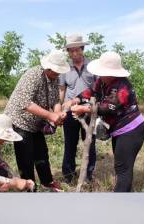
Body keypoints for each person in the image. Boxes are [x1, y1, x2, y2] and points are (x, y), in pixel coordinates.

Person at [68, 51, 144, 192]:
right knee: (122, 167)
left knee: (122, 169)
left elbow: (108, 108)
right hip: (120, 130)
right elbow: (90, 91)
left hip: (131, 130)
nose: (101, 75)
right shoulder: (102, 82)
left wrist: (84, 109)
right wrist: (77, 99)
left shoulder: (122, 87)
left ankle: (117, 203)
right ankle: (127, 197)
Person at [5, 50, 69, 192]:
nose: (59, 74)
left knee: (42, 152)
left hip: (36, 123)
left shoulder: (54, 78)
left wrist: (58, 114)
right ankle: (29, 188)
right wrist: (50, 116)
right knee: (25, 156)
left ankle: (47, 182)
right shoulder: (33, 75)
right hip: (20, 120)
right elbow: (25, 103)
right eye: (57, 71)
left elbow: (55, 100)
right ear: (48, 68)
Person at [59, 33, 97, 184]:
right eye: (71, 51)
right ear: (68, 52)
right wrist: (60, 108)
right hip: (70, 113)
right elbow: (62, 89)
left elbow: (97, 89)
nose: (75, 53)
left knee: (90, 143)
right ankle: (68, 175)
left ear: (82, 48)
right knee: (70, 144)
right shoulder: (64, 69)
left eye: (77, 50)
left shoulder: (93, 66)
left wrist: (91, 107)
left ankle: (88, 175)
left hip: (88, 111)